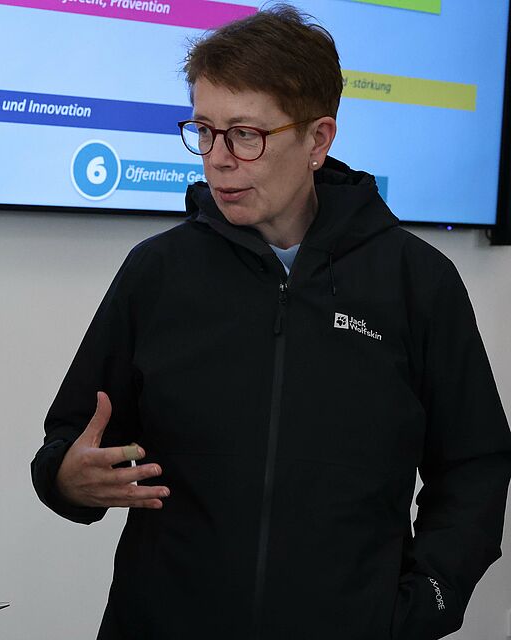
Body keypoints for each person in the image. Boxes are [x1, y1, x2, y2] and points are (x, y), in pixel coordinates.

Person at [31, 5, 511, 639]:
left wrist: (426, 601)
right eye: (204, 130)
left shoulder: (416, 282)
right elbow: (71, 440)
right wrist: (66, 479)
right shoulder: (157, 272)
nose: (219, 158)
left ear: (317, 140)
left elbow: (475, 466)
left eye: (245, 134)